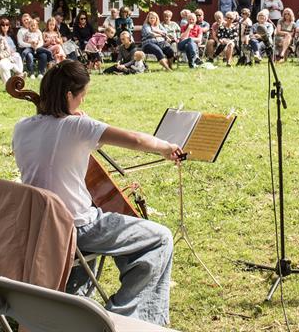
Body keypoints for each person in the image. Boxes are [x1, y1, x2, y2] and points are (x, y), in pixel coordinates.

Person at [12, 60, 180, 325]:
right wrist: (165, 147)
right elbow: (135, 139)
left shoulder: (22, 126)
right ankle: (124, 317)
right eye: (82, 96)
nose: (82, 101)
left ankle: (77, 304)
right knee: (159, 238)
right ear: (69, 95)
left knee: (127, 237)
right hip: (77, 227)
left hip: (39, 225)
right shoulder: (76, 127)